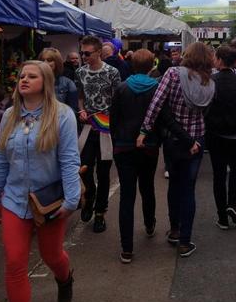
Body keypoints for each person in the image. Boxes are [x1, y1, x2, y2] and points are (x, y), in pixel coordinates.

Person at [0, 61, 81, 302]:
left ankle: (65, 278)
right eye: (22, 75)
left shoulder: (62, 115)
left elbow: (69, 160)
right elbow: (0, 160)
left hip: (49, 203)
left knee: (52, 255)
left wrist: (71, 200)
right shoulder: (9, 115)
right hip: (14, 200)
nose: (24, 80)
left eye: (32, 76)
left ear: (45, 82)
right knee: (15, 262)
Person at [110, 49, 192, 263]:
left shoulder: (121, 88)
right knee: (147, 187)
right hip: (150, 146)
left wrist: (116, 143)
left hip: (124, 146)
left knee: (127, 196)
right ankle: (149, 223)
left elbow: (114, 120)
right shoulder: (156, 88)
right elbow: (165, 119)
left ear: (131, 64)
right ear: (151, 66)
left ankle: (126, 248)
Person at [139, 43, 215, 258]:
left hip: (173, 139)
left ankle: (174, 229)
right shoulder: (210, 82)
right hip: (197, 139)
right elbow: (206, 112)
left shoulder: (172, 73)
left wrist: (144, 130)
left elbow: (156, 103)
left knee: (174, 183)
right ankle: (185, 241)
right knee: (188, 188)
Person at [204, 46, 236, 229]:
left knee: (218, 175)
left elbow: (205, 107)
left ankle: (222, 217)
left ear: (219, 60)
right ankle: (232, 204)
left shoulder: (211, 80)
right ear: (235, 62)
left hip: (216, 134)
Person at [76, 36, 121, 233]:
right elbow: (80, 96)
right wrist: (81, 110)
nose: (84, 56)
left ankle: (100, 213)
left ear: (98, 52)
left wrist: (111, 120)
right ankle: (89, 197)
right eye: (82, 53)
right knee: (84, 168)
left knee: (103, 173)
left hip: (105, 129)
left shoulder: (112, 72)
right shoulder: (80, 72)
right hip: (87, 128)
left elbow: (118, 99)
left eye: (87, 53)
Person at [39, 47, 78, 113]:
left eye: (49, 60)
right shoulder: (34, 82)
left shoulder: (68, 84)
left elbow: (72, 110)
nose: (45, 63)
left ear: (57, 62)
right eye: (42, 60)